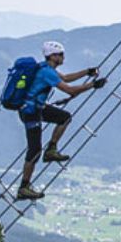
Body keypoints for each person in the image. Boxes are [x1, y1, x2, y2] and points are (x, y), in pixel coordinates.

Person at [17, 40, 106, 200]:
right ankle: (24, 187)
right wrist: (93, 85)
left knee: (64, 118)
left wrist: (87, 72)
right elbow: (70, 89)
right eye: (61, 54)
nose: (63, 57)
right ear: (52, 56)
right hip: (31, 112)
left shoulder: (46, 68)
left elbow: (66, 78)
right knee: (35, 150)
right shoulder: (47, 72)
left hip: (35, 108)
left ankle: (51, 150)